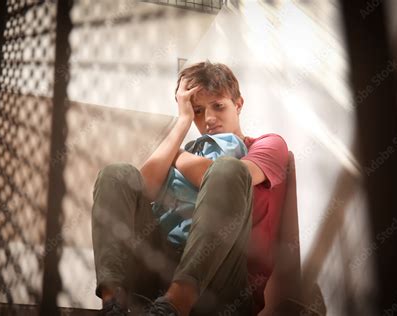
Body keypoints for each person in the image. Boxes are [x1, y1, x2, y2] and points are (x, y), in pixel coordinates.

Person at [92, 61, 289, 316]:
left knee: (229, 168)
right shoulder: (188, 149)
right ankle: (113, 304)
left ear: (238, 104)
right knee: (116, 174)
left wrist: (177, 156)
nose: (208, 119)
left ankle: (177, 303)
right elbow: (141, 189)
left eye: (218, 106)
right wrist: (182, 122)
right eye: (197, 111)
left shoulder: (267, 145)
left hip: (224, 284)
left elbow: (218, 175)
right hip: (158, 276)